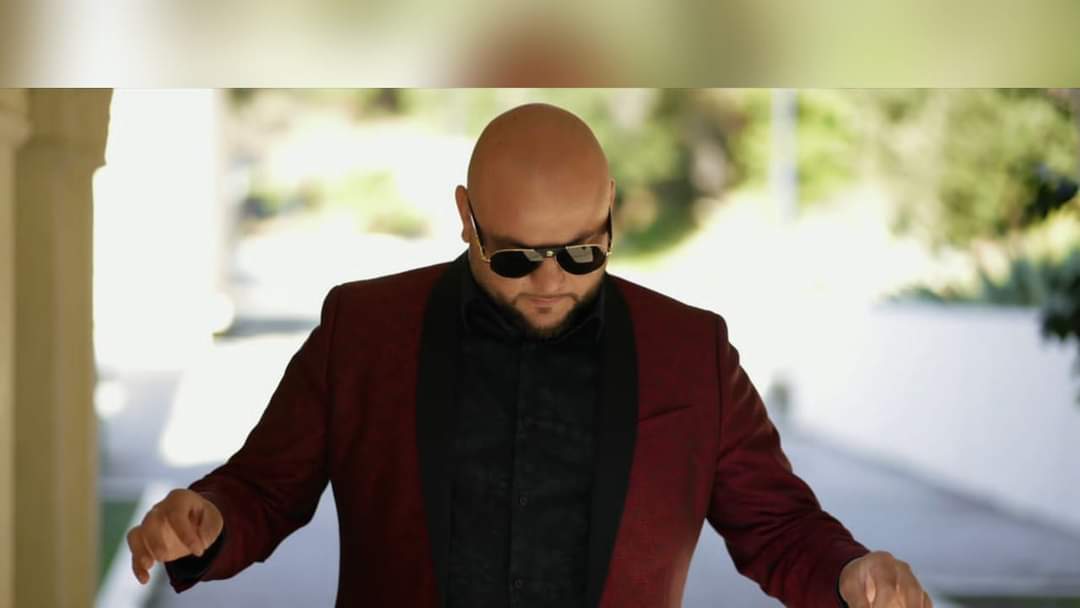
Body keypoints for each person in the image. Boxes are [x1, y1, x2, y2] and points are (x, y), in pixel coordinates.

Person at [126, 103, 932, 607]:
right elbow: (264, 488)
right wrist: (208, 519)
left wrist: (850, 573)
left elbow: (778, 526)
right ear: (466, 217)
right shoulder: (362, 329)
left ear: (610, 210)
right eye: (514, 257)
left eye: (581, 252)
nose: (550, 282)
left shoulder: (692, 351)